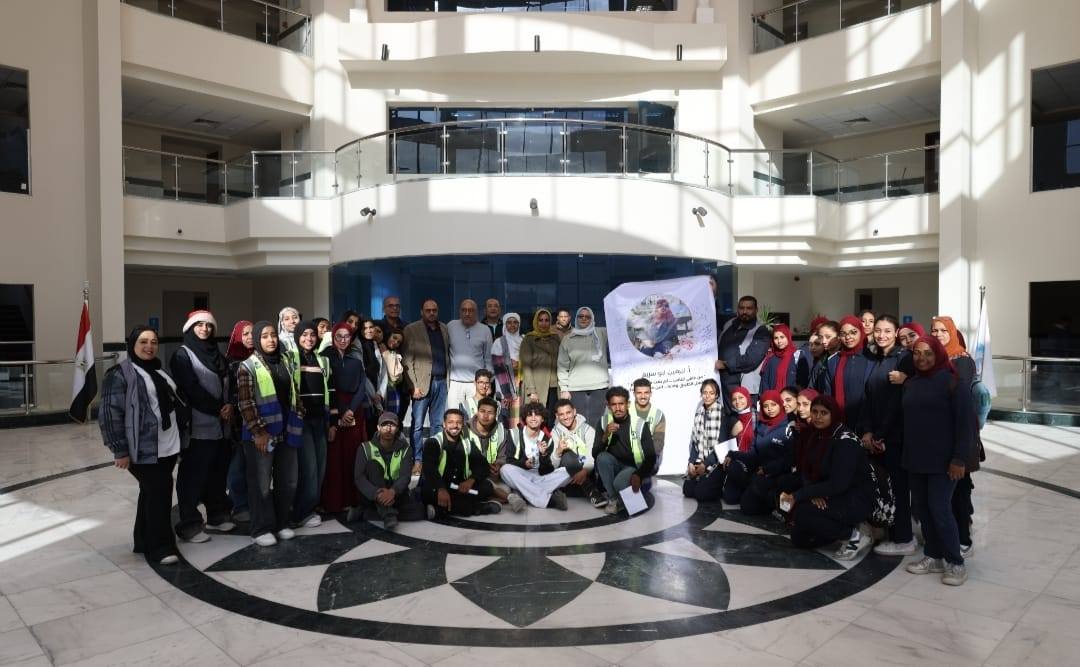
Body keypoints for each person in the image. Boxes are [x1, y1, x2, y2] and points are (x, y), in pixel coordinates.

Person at [99, 326, 186, 566]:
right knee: (160, 491)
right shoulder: (119, 374)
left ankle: (142, 540)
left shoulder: (159, 370)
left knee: (150, 492)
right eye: (143, 341)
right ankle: (160, 547)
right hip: (142, 448)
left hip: (167, 445)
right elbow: (109, 414)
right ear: (132, 345)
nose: (149, 346)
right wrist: (120, 450)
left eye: (154, 342)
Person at [902, 335, 976, 586]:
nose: (921, 358)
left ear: (938, 354)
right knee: (923, 510)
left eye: (928, 353)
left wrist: (959, 459)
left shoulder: (953, 383)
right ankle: (933, 556)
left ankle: (955, 562)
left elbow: (965, 426)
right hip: (916, 459)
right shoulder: (912, 383)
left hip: (944, 462)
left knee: (940, 509)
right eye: (917, 353)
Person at [780, 395, 874, 560]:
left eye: (824, 413)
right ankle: (838, 528)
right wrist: (813, 493)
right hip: (830, 492)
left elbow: (839, 484)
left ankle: (854, 536)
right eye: (815, 412)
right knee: (799, 538)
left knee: (803, 512)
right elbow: (806, 470)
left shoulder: (845, 441)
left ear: (833, 414)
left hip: (854, 497)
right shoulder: (817, 435)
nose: (818, 417)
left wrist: (801, 495)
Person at [237, 321, 303, 546]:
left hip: (287, 431)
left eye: (273, 335)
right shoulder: (247, 366)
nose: (271, 340)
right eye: (264, 336)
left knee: (288, 481)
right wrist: (258, 432)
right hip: (261, 435)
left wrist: (299, 413)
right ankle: (260, 529)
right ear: (257, 340)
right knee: (261, 485)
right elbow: (245, 403)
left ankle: (282, 523)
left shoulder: (286, 361)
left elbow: (294, 392)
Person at [170, 309, 232, 543]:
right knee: (192, 476)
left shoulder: (217, 354)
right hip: (197, 427)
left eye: (208, 325)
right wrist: (219, 408)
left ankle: (217, 514)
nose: (204, 329)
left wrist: (228, 405)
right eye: (199, 325)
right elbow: (191, 389)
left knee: (217, 473)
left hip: (221, 427)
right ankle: (190, 524)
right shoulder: (182, 355)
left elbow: (228, 384)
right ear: (190, 329)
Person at [860, 315, 917, 556]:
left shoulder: (904, 358)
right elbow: (868, 397)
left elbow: (897, 403)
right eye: (878, 330)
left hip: (895, 436)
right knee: (884, 486)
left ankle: (904, 538)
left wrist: (880, 434)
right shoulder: (877, 359)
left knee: (898, 488)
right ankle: (890, 531)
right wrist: (867, 430)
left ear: (896, 333)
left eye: (887, 331)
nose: (881, 335)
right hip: (877, 434)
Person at [929, 315, 979, 559]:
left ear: (952, 332)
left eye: (943, 330)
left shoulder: (962, 360)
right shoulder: (934, 361)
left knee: (959, 491)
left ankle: (963, 540)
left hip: (958, 435)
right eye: (934, 330)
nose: (938, 334)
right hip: (937, 437)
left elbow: (957, 397)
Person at [323, 321, 369, 516]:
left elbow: (362, 386)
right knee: (335, 458)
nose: (343, 340)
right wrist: (342, 411)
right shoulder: (325, 358)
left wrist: (350, 410)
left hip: (354, 411)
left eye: (346, 336)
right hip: (334, 410)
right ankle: (334, 500)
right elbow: (328, 387)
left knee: (353, 455)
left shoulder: (355, 360)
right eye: (339, 336)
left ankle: (352, 499)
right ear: (333, 337)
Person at [421, 409, 501, 517]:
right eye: (450, 422)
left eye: (458, 422)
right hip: (436, 486)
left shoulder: (467, 443)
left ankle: (440, 510)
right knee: (460, 503)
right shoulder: (433, 442)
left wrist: (470, 480)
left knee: (487, 487)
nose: (455, 426)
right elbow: (429, 469)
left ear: (463, 425)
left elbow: (483, 465)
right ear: (444, 424)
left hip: (458, 487)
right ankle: (478, 507)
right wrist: (441, 488)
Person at [291, 320, 331, 529]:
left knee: (320, 467)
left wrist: (331, 421)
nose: (309, 338)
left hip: (320, 420)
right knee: (309, 468)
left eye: (312, 335)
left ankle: (310, 507)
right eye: (304, 334)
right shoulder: (290, 358)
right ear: (297, 336)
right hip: (301, 422)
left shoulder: (322, 360)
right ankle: (301, 512)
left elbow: (329, 390)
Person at [354, 412, 424, 529]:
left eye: (392, 425)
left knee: (421, 511)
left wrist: (392, 491)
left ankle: (366, 513)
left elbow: (405, 476)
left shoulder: (406, 449)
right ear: (378, 427)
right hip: (373, 494)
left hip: (395, 493)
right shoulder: (365, 447)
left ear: (397, 428)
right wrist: (377, 494)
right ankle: (388, 515)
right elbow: (359, 478)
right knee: (372, 465)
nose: (388, 428)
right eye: (384, 425)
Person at [593, 387, 657, 514]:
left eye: (621, 404)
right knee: (602, 458)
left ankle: (623, 497)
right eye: (614, 404)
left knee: (619, 483)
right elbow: (595, 454)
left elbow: (651, 457)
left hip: (633, 468)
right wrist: (605, 435)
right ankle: (614, 499)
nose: (618, 408)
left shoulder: (639, 424)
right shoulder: (603, 422)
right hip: (614, 467)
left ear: (627, 404)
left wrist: (638, 474)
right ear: (608, 406)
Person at [402, 299, 450, 469]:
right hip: (421, 384)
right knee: (417, 426)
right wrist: (413, 385)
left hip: (441, 382)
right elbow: (407, 360)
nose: (431, 313)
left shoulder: (444, 328)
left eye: (434, 310)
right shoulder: (411, 329)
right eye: (428, 310)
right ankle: (418, 460)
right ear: (421, 312)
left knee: (438, 424)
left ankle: (434, 459)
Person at [724, 389, 791, 505]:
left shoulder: (788, 427)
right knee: (731, 498)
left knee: (749, 506)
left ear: (780, 404)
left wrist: (767, 469)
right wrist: (732, 454)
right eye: (765, 406)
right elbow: (753, 452)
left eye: (773, 405)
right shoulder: (762, 424)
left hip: (775, 473)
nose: (769, 409)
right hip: (757, 469)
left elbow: (788, 459)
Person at [501, 403, 571, 511]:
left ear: (542, 419)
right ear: (525, 418)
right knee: (505, 469)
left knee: (568, 472)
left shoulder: (548, 439)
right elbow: (509, 460)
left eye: (537, 415)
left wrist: (543, 455)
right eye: (530, 415)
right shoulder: (514, 434)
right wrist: (524, 463)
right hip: (521, 474)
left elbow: (547, 470)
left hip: (540, 476)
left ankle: (524, 493)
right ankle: (548, 500)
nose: (533, 418)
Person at [715, 296, 771, 423]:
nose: (745, 311)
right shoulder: (729, 325)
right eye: (741, 308)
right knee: (728, 427)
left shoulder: (761, 331)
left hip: (743, 391)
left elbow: (751, 360)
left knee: (745, 427)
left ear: (756, 310)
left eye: (749, 308)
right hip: (724, 389)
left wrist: (725, 364)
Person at [816, 316, 872, 432]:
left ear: (861, 332)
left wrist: (869, 429)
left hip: (867, 423)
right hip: (839, 423)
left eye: (853, 332)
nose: (848, 337)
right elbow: (828, 396)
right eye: (843, 334)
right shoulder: (833, 361)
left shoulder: (871, 359)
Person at [558, 307, 610, 426]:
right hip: (576, 388)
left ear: (592, 319)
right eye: (581, 316)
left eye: (587, 317)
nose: (584, 319)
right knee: (578, 423)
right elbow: (562, 366)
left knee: (598, 423)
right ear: (576, 318)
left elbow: (618, 329)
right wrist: (564, 388)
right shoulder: (568, 339)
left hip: (599, 387)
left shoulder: (601, 333)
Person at [225, 320, 253, 522]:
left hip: (258, 420)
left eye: (252, 333)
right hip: (237, 422)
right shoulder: (230, 363)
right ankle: (239, 504)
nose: (250, 337)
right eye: (245, 334)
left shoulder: (261, 358)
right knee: (237, 465)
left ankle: (251, 501)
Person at [682, 379, 726, 502]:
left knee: (701, 493)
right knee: (687, 490)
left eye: (711, 393)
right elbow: (695, 442)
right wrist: (691, 462)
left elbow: (722, 445)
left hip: (716, 462)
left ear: (717, 395)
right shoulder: (699, 412)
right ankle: (703, 480)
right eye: (705, 392)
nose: (707, 396)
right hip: (700, 460)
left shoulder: (722, 413)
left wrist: (705, 464)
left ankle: (720, 485)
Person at [447, 299, 493, 414]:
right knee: (453, 417)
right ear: (460, 312)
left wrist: (488, 384)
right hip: (455, 384)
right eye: (464, 310)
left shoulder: (485, 330)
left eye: (471, 310)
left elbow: (488, 359)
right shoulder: (451, 326)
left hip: (476, 384)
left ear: (476, 313)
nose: (467, 313)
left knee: (475, 418)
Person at [463, 396, 511, 505]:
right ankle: (490, 498)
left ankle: (490, 497)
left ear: (496, 415)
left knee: (505, 490)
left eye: (490, 413)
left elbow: (503, 456)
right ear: (477, 412)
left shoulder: (501, 431)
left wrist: (498, 465)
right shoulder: (465, 430)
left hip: (492, 476)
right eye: (482, 411)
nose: (485, 416)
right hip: (470, 476)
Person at [550, 399, 598, 500]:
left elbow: (591, 456)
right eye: (561, 414)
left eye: (568, 412)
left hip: (586, 474)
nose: (566, 417)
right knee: (567, 455)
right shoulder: (555, 433)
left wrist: (584, 471)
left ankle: (591, 491)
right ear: (557, 416)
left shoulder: (588, 430)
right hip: (569, 478)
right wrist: (558, 451)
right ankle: (591, 491)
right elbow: (553, 465)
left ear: (574, 412)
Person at [520, 309, 561, 415]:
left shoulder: (555, 338)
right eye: (540, 320)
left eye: (547, 320)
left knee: (553, 418)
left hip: (555, 387)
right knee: (537, 418)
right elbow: (526, 367)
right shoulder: (529, 339)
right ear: (536, 322)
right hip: (537, 386)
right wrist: (532, 390)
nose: (544, 323)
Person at [491, 312, 522, 427]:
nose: (512, 325)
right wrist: (507, 393)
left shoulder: (523, 340)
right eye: (509, 322)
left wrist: (519, 364)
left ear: (519, 324)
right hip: (505, 387)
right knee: (506, 420)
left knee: (520, 419)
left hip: (521, 386)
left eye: (515, 322)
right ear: (505, 324)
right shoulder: (499, 342)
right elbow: (498, 369)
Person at [760, 324, 810, 393]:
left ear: (788, 337)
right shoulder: (770, 358)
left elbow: (803, 381)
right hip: (774, 398)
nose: (779, 341)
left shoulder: (798, 356)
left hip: (792, 397)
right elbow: (765, 382)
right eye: (776, 338)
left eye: (782, 337)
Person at [631, 378, 666, 473]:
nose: (643, 396)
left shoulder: (658, 415)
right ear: (634, 394)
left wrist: (643, 458)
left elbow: (658, 442)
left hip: (648, 457)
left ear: (651, 394)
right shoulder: (625, 411)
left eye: (646, 393)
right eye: (639, 393)